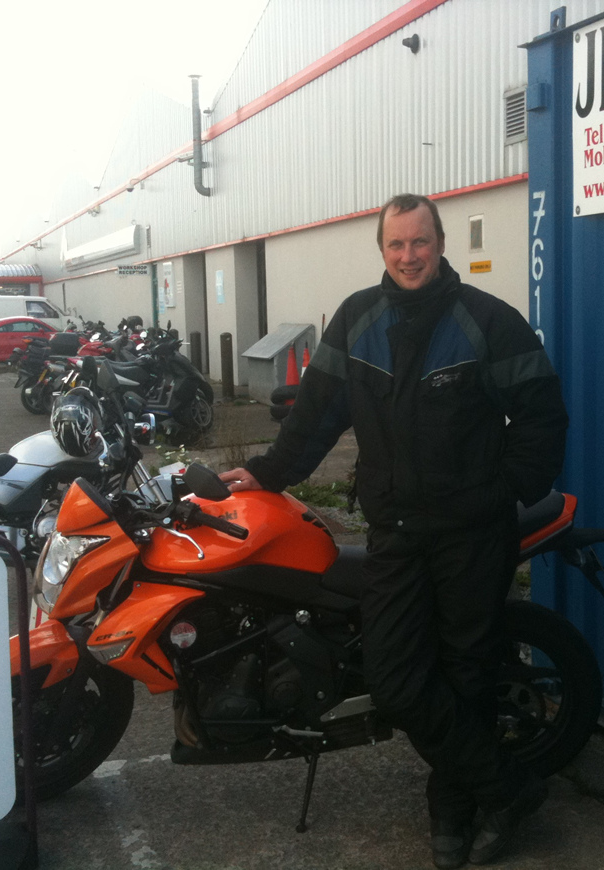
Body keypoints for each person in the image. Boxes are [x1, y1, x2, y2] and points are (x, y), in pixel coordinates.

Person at [221, 194, 568, 868]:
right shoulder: (358, 319)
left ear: (441, 244)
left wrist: (503, 488)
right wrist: (266, 473)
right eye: (396, 244)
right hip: (397, 533)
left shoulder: (488, 322)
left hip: (472, 534)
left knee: (466, 671)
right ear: (382, 250)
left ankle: (451, 807)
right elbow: (317, 415)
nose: (409, 256)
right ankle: (507, 786)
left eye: (420, 242)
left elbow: (542, 416)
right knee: (395, 677)